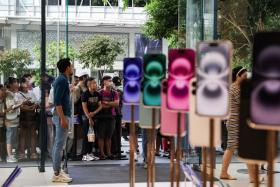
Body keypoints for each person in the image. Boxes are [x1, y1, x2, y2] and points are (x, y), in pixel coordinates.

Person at [220, 66, 256, 182]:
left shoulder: (237, 87)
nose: (246, 78)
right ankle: (252, 177)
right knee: (239, 148)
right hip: (236, 122)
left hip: (236, 122)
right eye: (244, 76)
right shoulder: (235, 88)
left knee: (234, 148)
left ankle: (224, 173)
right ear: (237, 76)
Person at [52, 58, 73, 183]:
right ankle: (56, 173)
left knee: (59, 145)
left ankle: (58, 171)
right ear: (67, 68)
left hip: (63, 115)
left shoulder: (63, 80)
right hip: (62, 115)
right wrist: (63, 118)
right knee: (59, 145)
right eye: (71, 66)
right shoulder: (61, 80)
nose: (72, 68)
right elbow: (57, 101)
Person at [18, 77, 39, 160]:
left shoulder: (32, 92)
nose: (28, 83)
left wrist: (33, 106)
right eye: (26, 82)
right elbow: (20, 106)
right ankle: (22, 153)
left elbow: (37, 103)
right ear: (22, 84)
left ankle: (33, 152)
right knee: (23, 135)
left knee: (33, 135)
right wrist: (30, 108)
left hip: (32, 117)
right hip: (23, 117)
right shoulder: (18, 94)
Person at [98, 76, 119, 160]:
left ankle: (109, 153)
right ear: (104, 82)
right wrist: (110, 103)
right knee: (101, 136)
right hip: (101, 117)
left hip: (111, 116)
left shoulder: (115, 93)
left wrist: (106, 103)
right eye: (109, 81)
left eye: (111, 81)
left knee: (109, 136)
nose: (111, 82)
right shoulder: (99, 93)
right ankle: (102, 153)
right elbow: (99, 105)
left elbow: (116, 104)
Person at [81, 77, 102, 161]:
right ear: (89, 85)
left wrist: (94, 113)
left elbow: (100, 106)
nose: (95, 84)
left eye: (95, 83)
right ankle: (85, 154)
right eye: (93, 83)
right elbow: (84, 108)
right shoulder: (85, 94)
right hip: (86, 118)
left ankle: (90, 153)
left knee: (92, 136)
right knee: (86, 136)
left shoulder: (97, 94)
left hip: (94, 117)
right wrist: (89, 118)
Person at [5, 77, 21, 163]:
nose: (17, 83)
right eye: (15, 82)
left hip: (14, 119)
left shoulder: (12, 93)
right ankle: (9, 156)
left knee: (12, 137)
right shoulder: (9, 94)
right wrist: (21, 104)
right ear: (10, 84)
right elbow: (10, 108)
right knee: (10, 137)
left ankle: (11, 154)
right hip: (10, 120)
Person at [0, 84, 6, 162]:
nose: (4, 92)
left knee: (2, 139)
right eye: (2, 90)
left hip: (3, 123)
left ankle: (2, 155)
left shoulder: (3, 100)